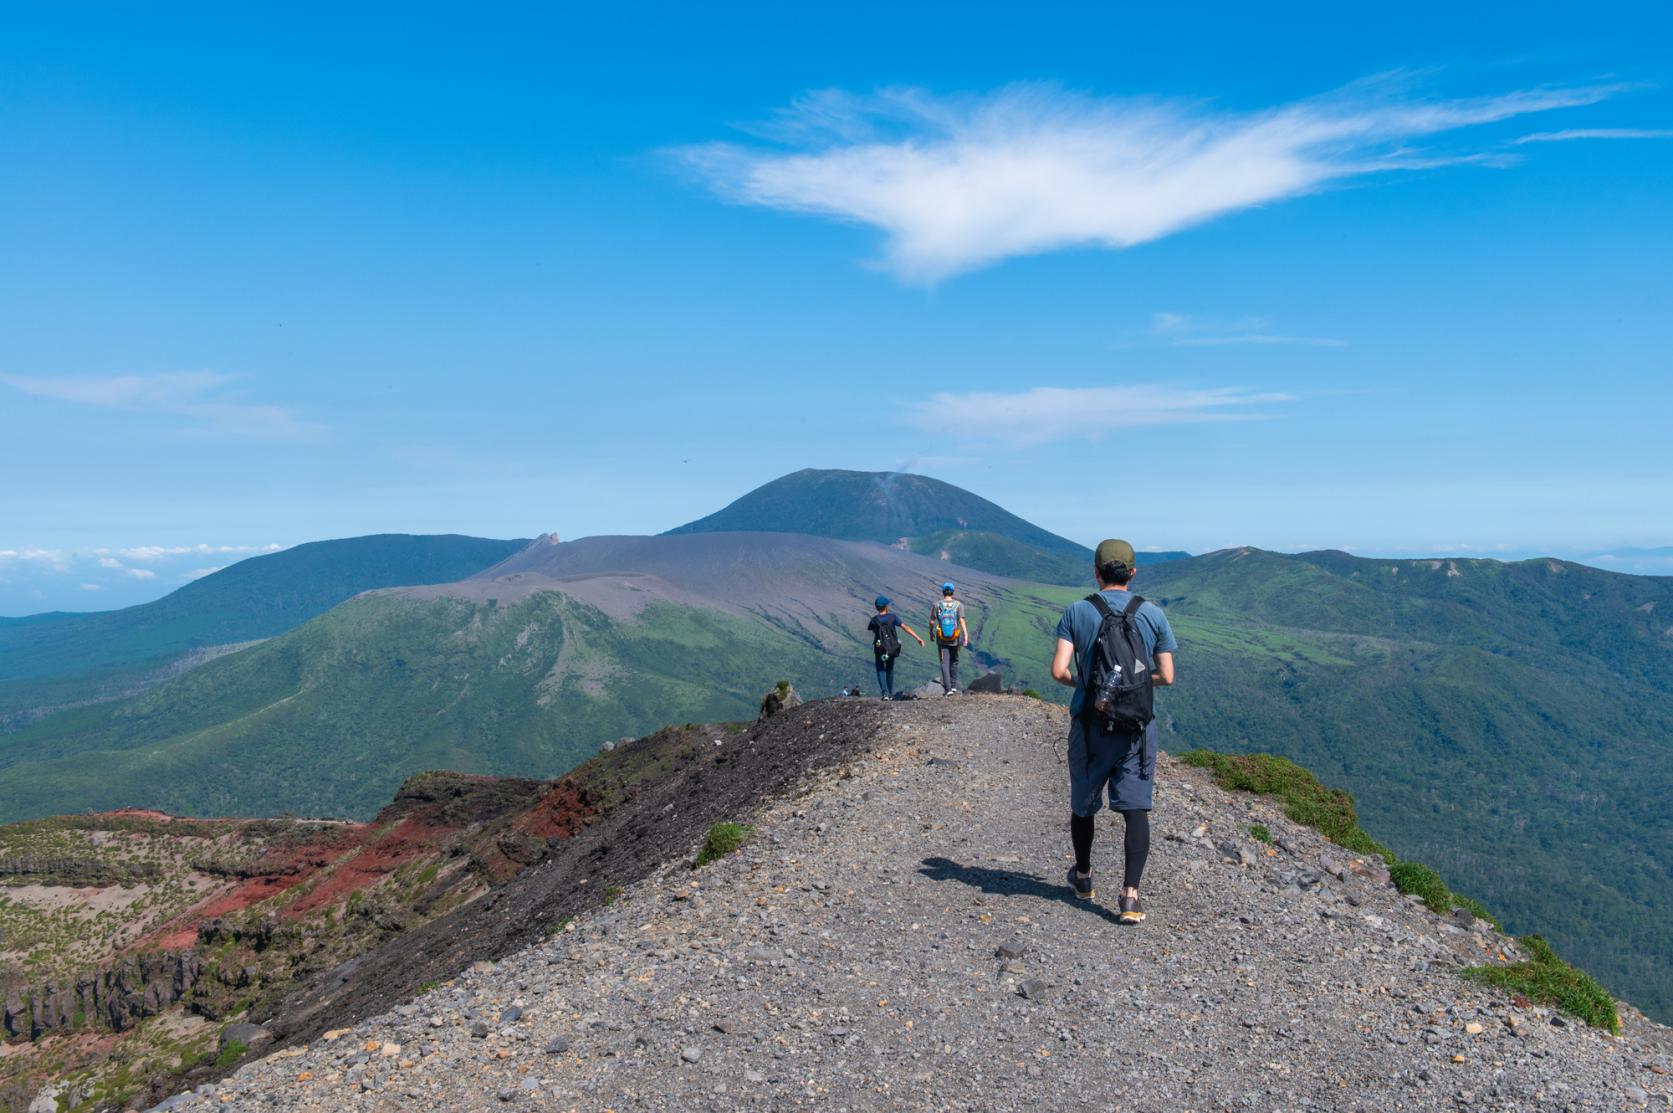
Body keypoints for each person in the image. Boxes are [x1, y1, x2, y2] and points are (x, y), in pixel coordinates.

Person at [1049, 539, 1177, 924]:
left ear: (1096, 571)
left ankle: (1084, 877)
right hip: (1137, 729)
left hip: (1090, 725)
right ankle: (1131, 897)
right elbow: (1167, 676)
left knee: (1083, 805)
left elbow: (1058, 671)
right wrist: (1131, 688)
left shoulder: (1077, 612)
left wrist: (1095, 688)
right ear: (1133, 573)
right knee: (1135, 810)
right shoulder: (1152, 614)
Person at [867, 595, 924, 700]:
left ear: (876, 607)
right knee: (890, 670)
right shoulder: (893, 617)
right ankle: (890, 693)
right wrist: (917, 637)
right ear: (886, 606)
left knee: (880, 669)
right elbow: (904, 627)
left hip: (879, 648)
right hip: (891, 647)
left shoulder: (874, 620)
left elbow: (871, 629)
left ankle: (885, 693)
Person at [930, 581, 969, 694]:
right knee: (954, 661)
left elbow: (932, 622)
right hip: (955, 638)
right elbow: (961, 620)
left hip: (941, 638)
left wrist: (931, 633)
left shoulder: (936, 605)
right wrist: (966, 635)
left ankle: (948, 689)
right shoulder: (959, 605)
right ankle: (953, 686)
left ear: (943, 592)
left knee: (944, 662)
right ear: (952, 592)